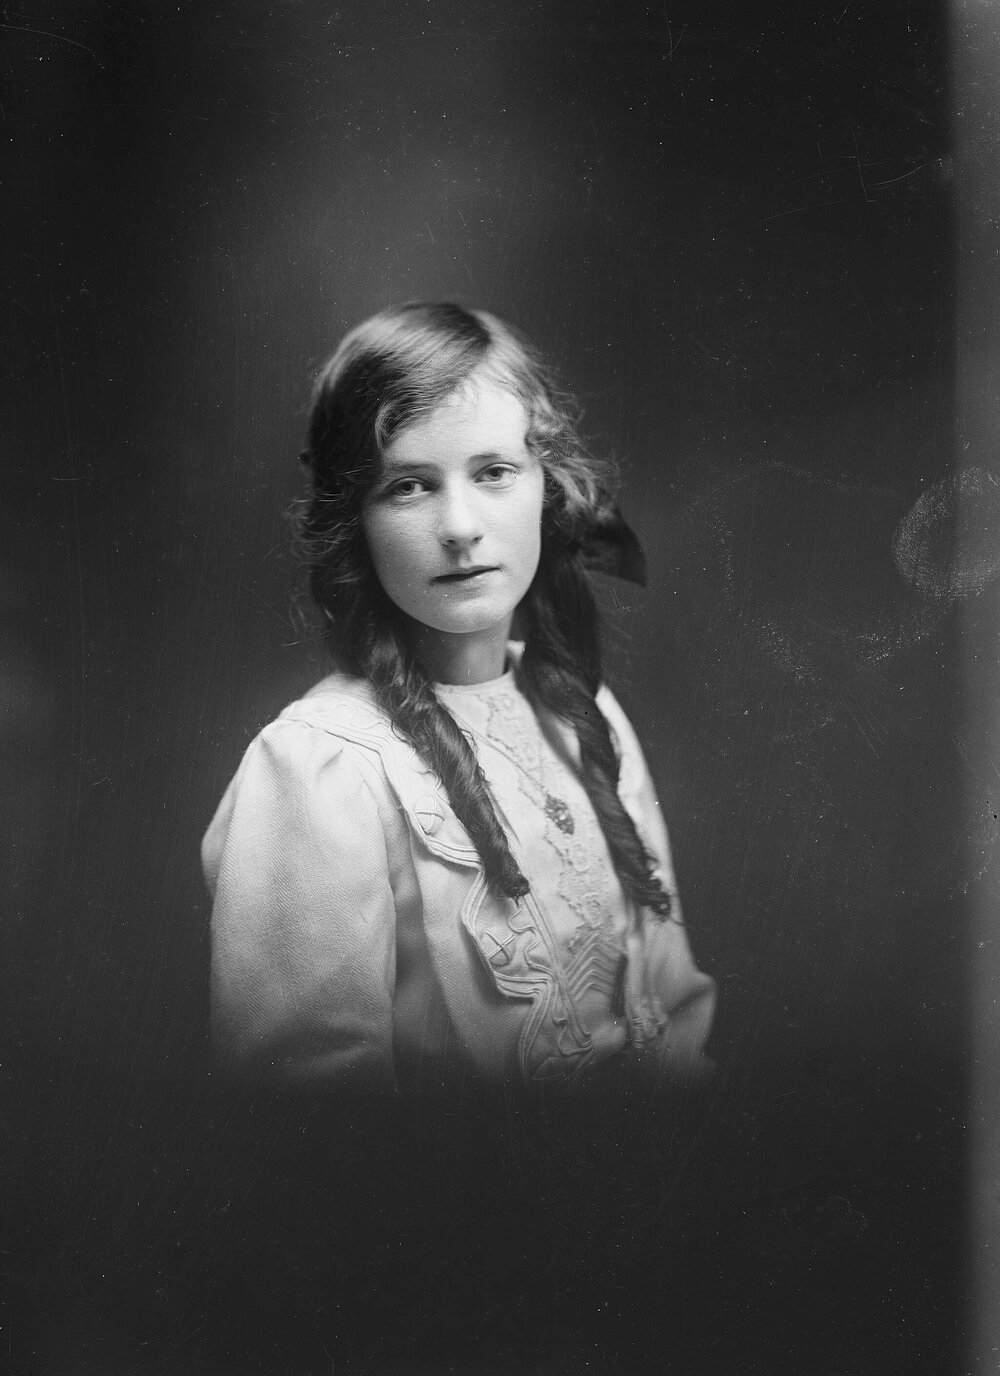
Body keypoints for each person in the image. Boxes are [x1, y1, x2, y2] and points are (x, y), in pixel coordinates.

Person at [202, 301, 714, 1097]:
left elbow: (676, 1013)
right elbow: (309, 1122)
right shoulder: (320, 766)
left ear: (546, 488)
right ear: (357, 523)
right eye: (408, 486)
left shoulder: (587, 718)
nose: (461, 526)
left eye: (494, 472)